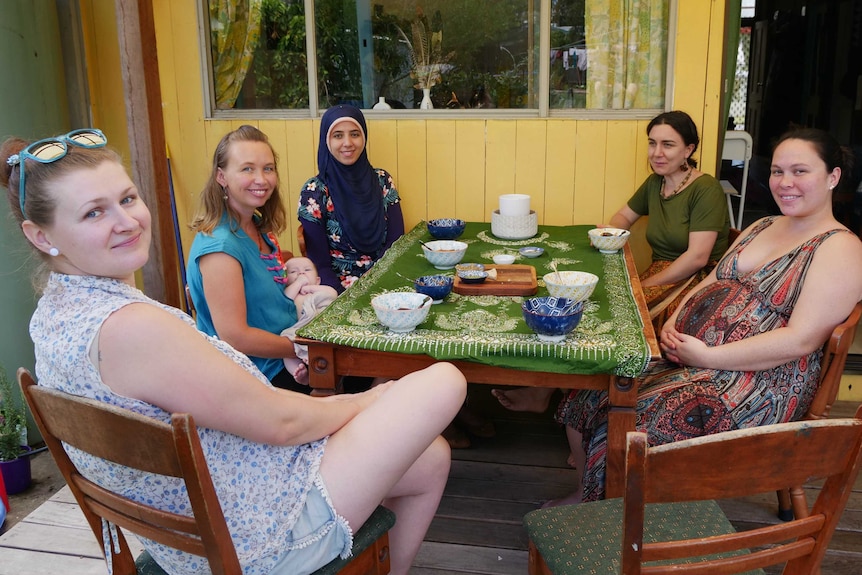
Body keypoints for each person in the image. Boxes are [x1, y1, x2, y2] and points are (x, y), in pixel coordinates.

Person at [2, 128, 467, 575]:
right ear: (41, 236)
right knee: (444, 379)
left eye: (126, 199)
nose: (127, 221)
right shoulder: (129, 327)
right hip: (256, 538)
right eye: (93, 213)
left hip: (217, 505)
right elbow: (282, 423)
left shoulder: (54, 314)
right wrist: (374, 399)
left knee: (431, 458)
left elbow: (258, 409)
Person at [550, 127, 862, 505]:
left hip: (756, 385)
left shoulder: (840, 247)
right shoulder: (763, 225)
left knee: (623, 428)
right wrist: (672, 326)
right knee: (589, 392)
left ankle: (607, 520)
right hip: (692, 358)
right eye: (778, 171)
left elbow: (801, 339)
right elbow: (710, 280)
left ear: (833, 177)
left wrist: (708, 356)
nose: (785, 183)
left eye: (800, 171)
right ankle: (589, 492)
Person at [492, 110, 729, 414]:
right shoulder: (656, 183)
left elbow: (697, 258)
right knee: (585, 297)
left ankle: (572, 397)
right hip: (660, 272)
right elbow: (622, 217)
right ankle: (554, 388)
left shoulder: (705, 189)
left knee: (611, 314)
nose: (657, 153)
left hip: (694, 281)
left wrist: (643, 286)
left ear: (689, 149)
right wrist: (608, 234)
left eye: (668, 145)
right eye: (652, 143)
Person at [187, 125, 306, 392]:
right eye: (247, 169)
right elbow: (235, 337)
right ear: (221, 176)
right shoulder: (219, 247)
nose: (261, 179)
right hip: (255, 376)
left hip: (286, 355)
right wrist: (303, 347)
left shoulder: (256, 225)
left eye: (268, 168)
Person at [298, 105, 405, 293]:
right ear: (326, 140)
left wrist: (381, 288)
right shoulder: (315, 191)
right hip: (338, 288)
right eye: (338, 135)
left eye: (355, 134)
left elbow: (396, 246)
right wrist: (341, 299)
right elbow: (320, 265)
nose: (348, 143)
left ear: (364, 137)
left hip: (387, 280)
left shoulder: (382, 181)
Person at [280, 256, 339, 384]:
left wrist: (310, 289)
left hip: (323, 326)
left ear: (317, 280)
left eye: (307, 270)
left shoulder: (320, 289)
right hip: (299, 330)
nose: (301, 273)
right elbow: (286, 299)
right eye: (293, 272)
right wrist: (298, 284)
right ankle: (300, 373)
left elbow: (333, 294)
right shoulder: (290, 292)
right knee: (285, 347)